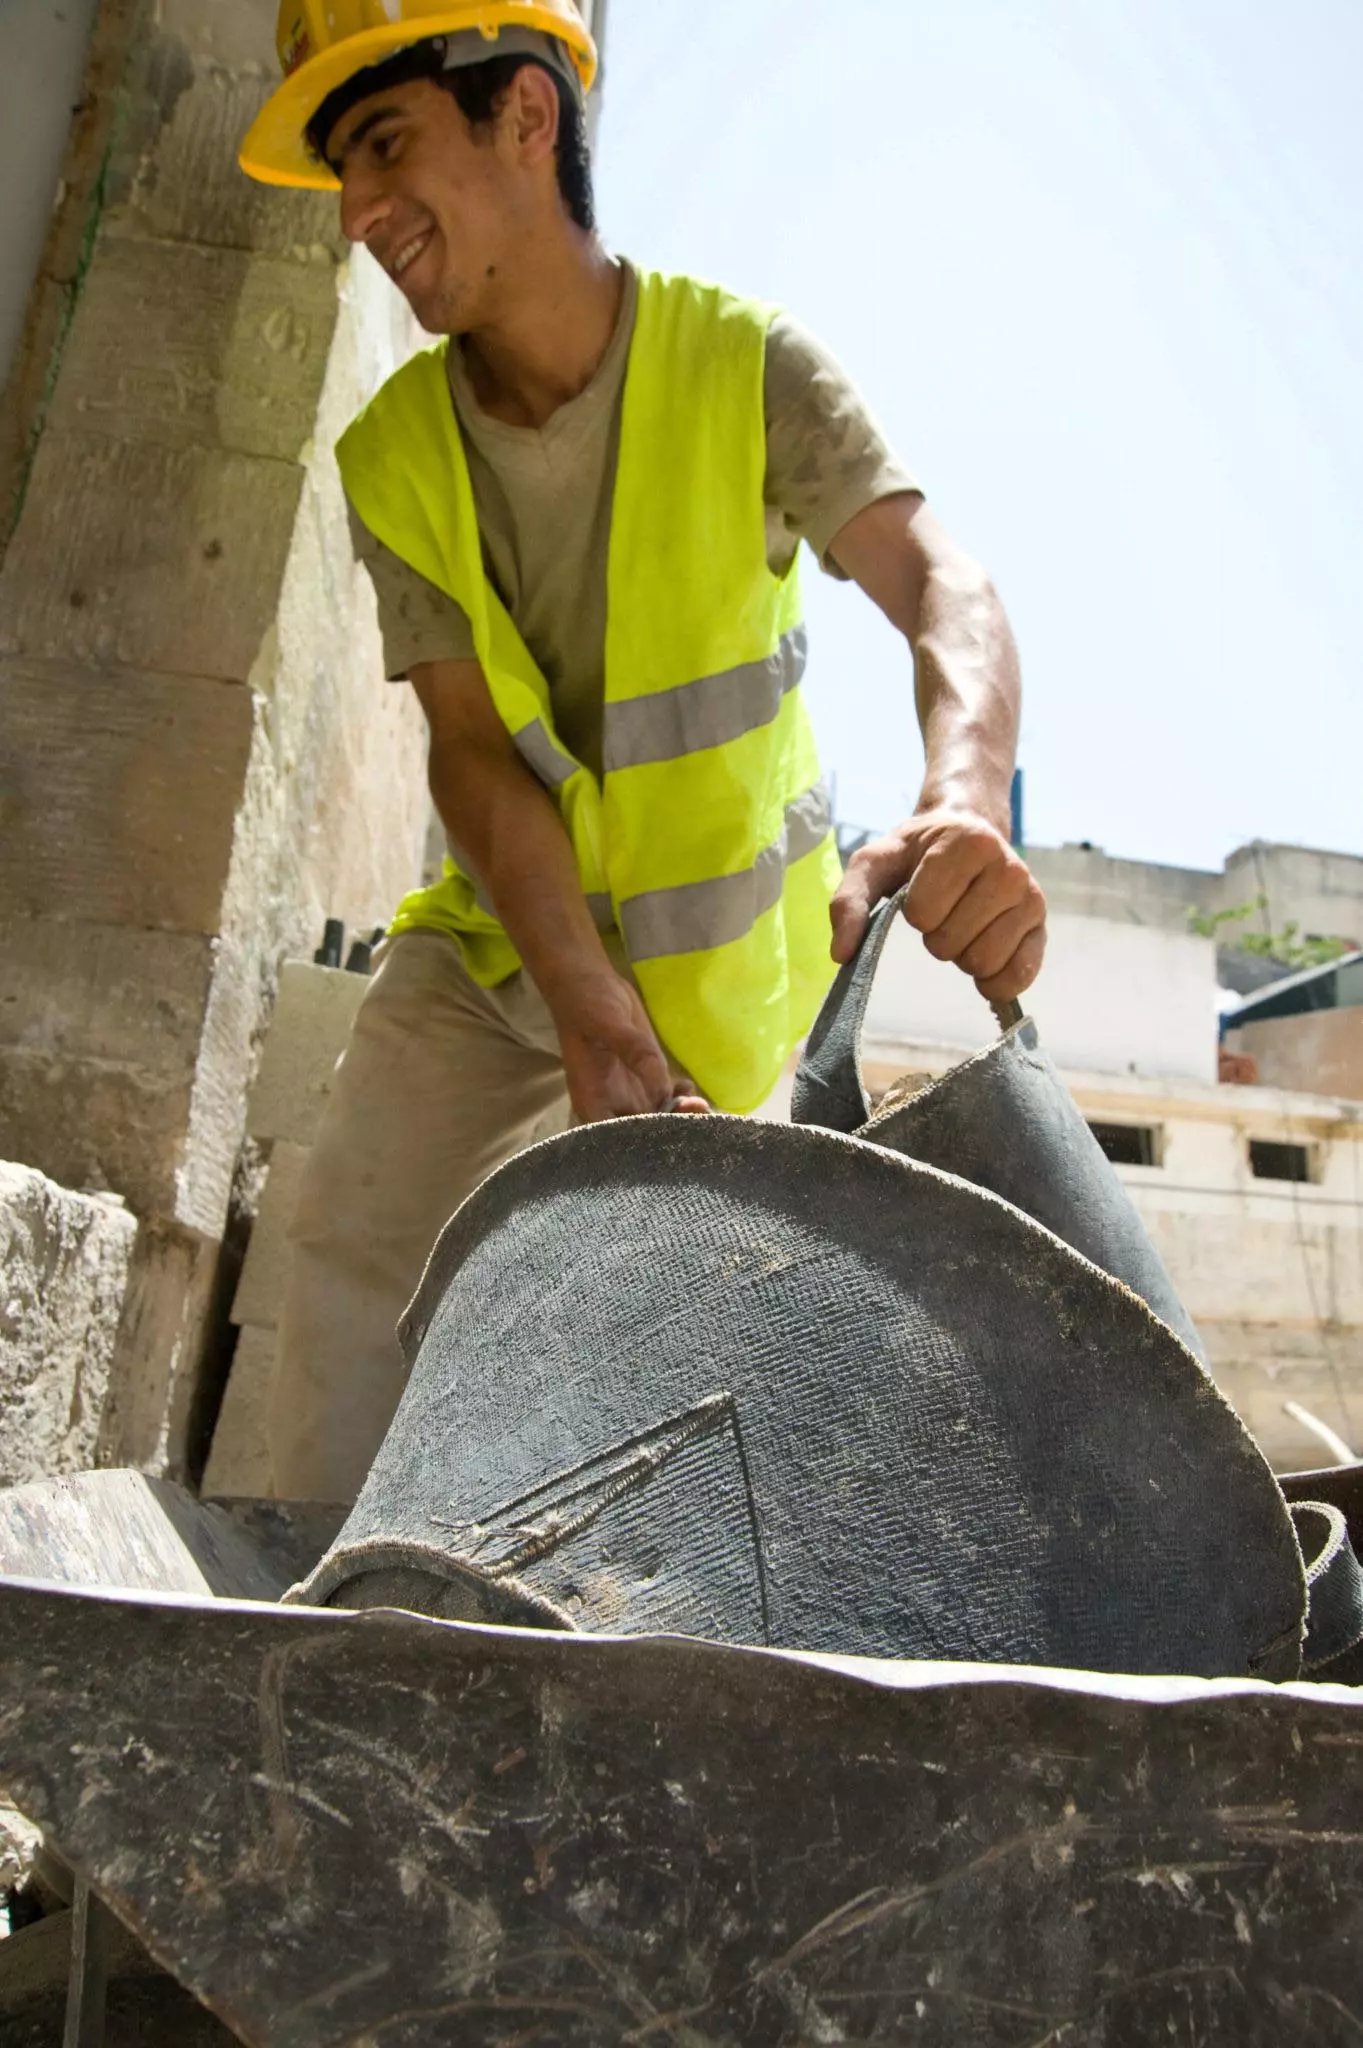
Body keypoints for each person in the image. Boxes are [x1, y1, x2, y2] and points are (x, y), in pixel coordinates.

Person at [239, 1, 1048, 1502]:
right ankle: (315, 1630)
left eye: (386, 146)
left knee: (700, 1401)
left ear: (526, 118)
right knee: (356, 1245)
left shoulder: (745, 370)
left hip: (730, 995)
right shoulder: (395, 455)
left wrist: (962, 796)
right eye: (347, 172)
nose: (356, 213)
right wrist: (583, 1004)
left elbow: (946, 583)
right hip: (505, 949)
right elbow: (473, 753)